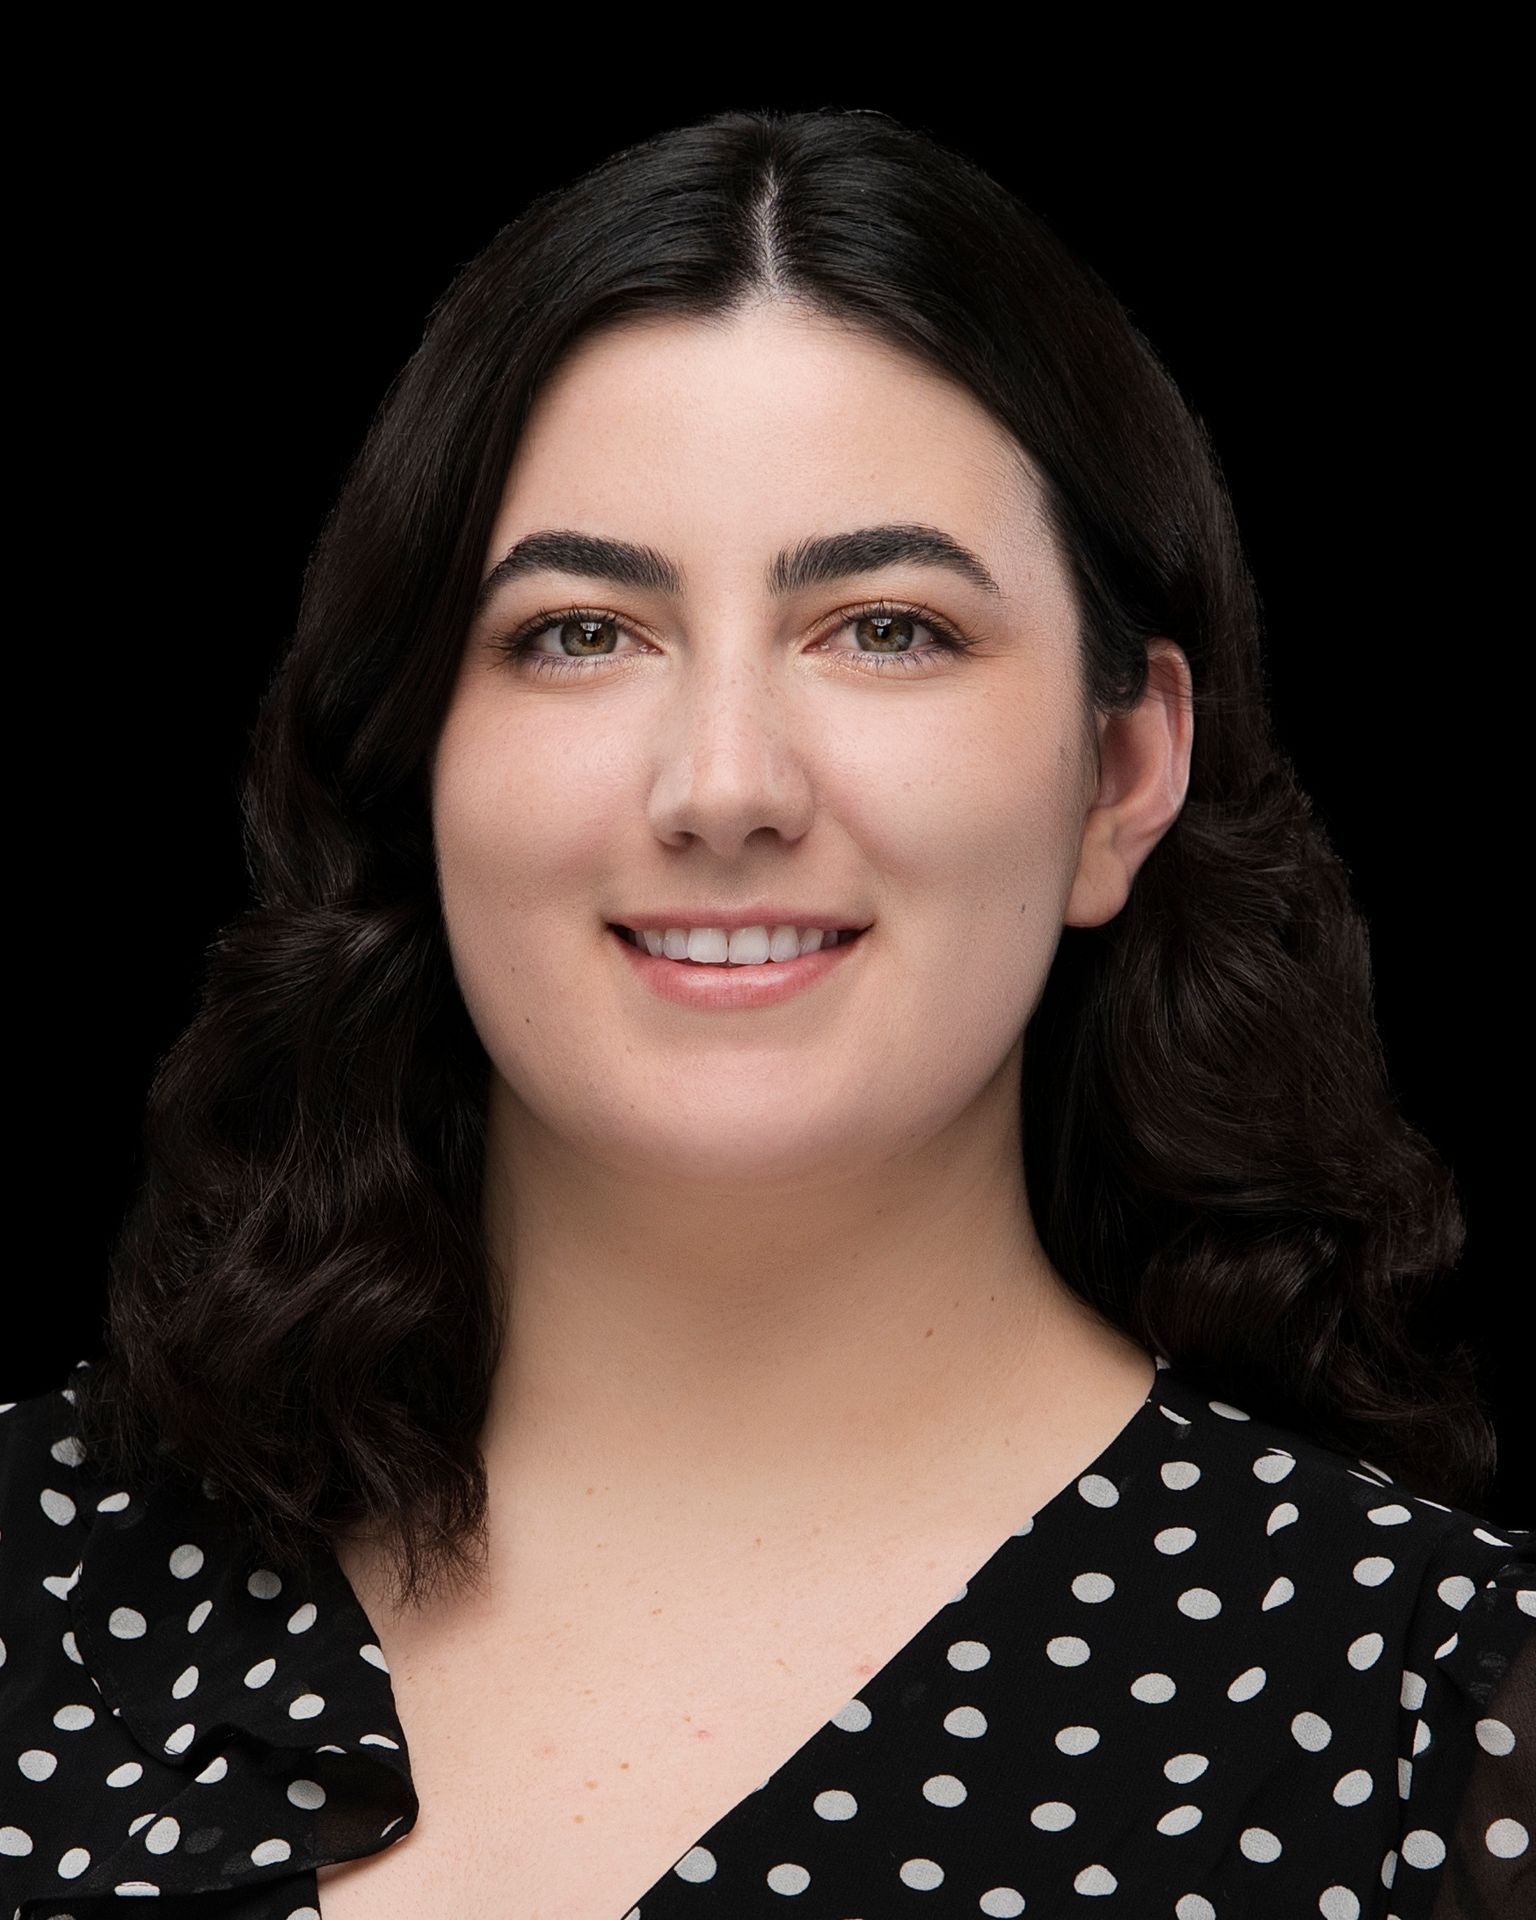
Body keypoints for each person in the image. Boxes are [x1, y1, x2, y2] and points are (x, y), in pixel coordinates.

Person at [2, 106, 1529, 1920]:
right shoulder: (30, 1573)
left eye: (886, 628)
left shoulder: (1450, 1720)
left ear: (1123, 772)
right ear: (412, 759)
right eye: (580, 631)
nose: (724, 786)